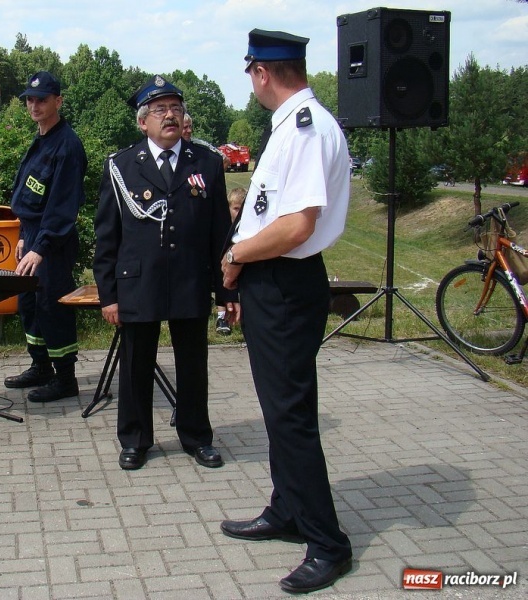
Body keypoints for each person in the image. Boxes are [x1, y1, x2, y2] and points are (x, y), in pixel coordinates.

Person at [219, 30, 353, 593]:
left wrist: (235, 255)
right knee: (280, 410)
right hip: (276, 280)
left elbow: (297, 226)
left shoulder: (305, 128)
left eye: (249, 72)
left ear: (261, 73)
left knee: (291, 415)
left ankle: (327, 542)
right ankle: (287, 509)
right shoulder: (297, 124)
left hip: (284, 281)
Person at [93, 75, 238, 470]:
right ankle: (136, 439)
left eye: (176, 108)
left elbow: (219, 235)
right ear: (143, 122)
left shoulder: (206, 162)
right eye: (160, 110)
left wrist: (227, 293)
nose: (171, 115)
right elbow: (107, 235)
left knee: (193, 364)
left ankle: (196, 436)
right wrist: (108, 295)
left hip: (190, 279)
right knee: (136, 363)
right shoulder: (121, 166)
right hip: (138, 282)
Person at [4, 71, 87, 403]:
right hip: (33, 236)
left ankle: (65, 378)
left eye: (42, 99)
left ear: (58, 101)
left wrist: (40, 247)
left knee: (52, 307)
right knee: (29, 304)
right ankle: (41, 367)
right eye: (30, 99)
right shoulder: (41, 139)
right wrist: (25, 236)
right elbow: (30, 196)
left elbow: (62, 206)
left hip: (54, 241)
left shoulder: (67, 145)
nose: (34, 105)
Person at [215, 187, 245, 335]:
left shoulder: (246, 228)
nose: (239, 213)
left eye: (241, 209)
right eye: (235, 208)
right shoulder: (224, 227)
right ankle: (221, 317)